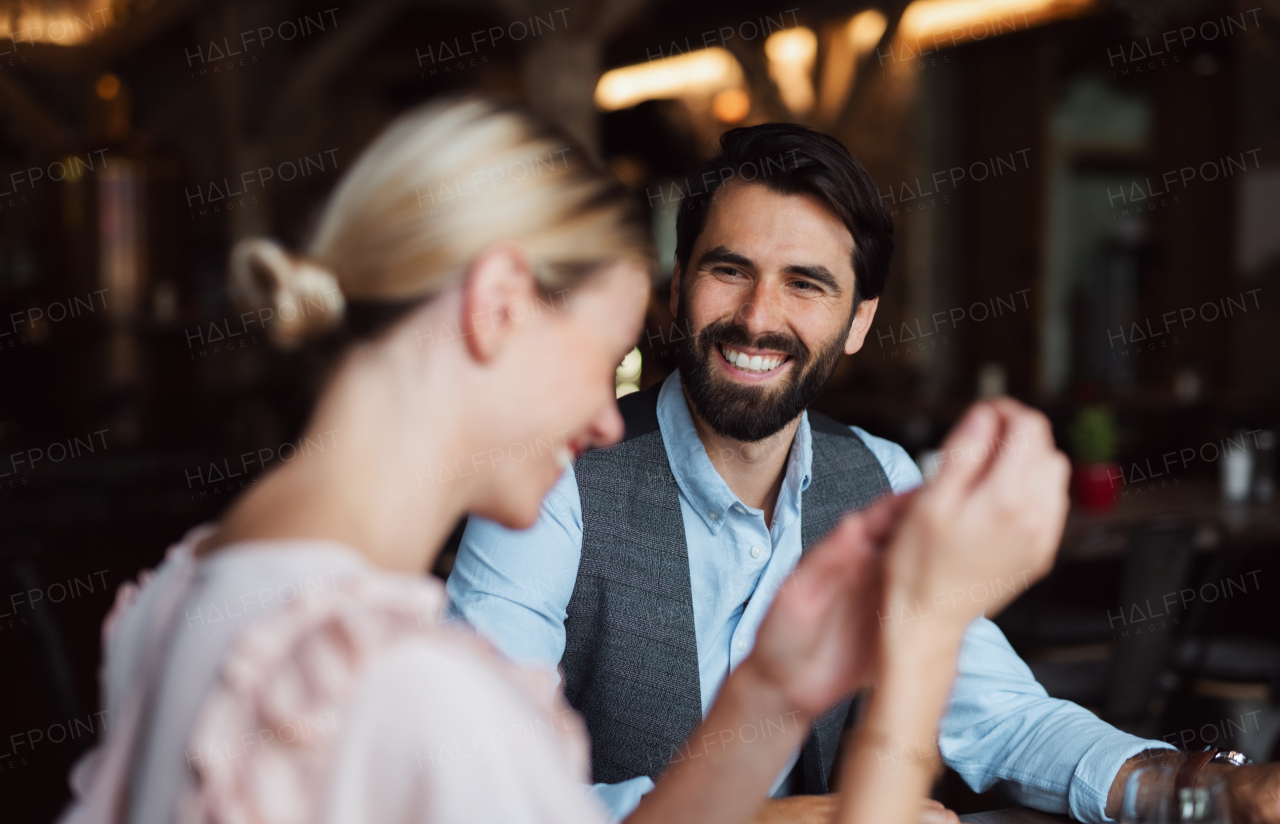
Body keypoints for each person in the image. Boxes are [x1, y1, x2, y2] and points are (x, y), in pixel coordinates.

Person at [59, 96, 1066, 824]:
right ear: (496, 307)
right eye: (599, 362)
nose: (602, 419)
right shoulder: (412, 689)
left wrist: (768, 693)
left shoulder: (198, 587)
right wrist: (926, 624)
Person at [447, 120, 1280, 824]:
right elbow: (475, 792)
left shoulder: (879, 477)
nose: (756, 318)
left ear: (857, 322)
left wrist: (1199, 789)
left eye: (805, 284)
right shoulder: (551, 479)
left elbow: (1000, 718)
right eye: (728, 269)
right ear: (678, 288)